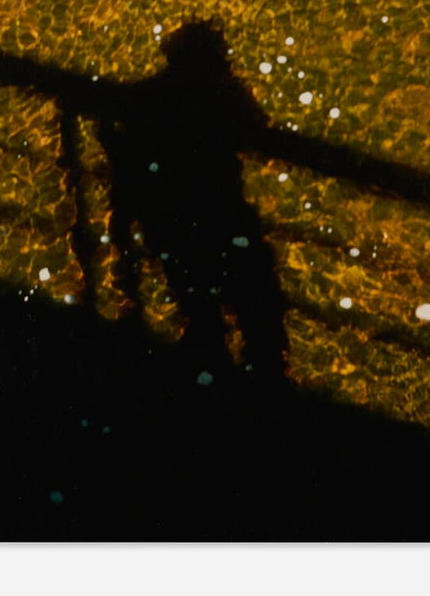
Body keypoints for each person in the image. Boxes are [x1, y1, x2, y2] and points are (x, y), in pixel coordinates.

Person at [99, 21, 289, 380]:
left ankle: (206, 369)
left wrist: (123, 219)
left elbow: (117, 142)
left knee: (198, 306)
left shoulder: (144, 98)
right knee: (258, 310)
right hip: (223, 216)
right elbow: (257, 127)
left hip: (170, 223)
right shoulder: (222, 97)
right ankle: (264, 386)